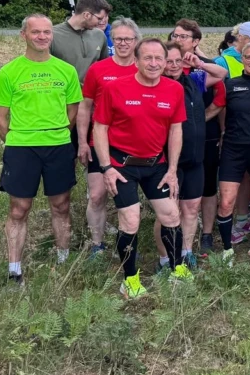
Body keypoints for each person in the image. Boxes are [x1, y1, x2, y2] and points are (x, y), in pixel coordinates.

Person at [93, 38, 188, 299]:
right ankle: (130, 280)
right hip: (121, 166)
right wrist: (106, 168)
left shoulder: (174, 89)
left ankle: (177, 269)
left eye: (160, 59)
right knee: (131, 220)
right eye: (148, 58)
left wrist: (172, 168)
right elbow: (99, 128)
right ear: (136, 60)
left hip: (156, 165)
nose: (155, 63)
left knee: (171, 216)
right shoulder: (116, 89)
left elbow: (176, 129)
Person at [0, 14, 82, 285]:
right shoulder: (9, 71)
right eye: (36, 32)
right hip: (22, 148)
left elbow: (73, 110)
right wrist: (16, 141)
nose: (42, 37)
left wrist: (58, 134)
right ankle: (14, 269)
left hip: (58, 146)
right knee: (19, 208)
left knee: (61, 205)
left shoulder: (66, 71)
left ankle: (63, 260)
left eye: (46, 32)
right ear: (24, 35)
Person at [77, 17, 143, 256]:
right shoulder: (99, 69)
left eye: (127, 39)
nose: (123, 43)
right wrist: (83, 142)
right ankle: (97, 244)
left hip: (136, 146)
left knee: (131, 197)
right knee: (96, 195)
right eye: (117, 39)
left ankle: (129, 240)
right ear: (111, 40)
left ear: (136, 41)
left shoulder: (145, 67)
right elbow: (85, 107)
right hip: (100, 142)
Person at [170, 19, 229, 256]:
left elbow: (221, 97)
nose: (178, 39)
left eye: (184, 36)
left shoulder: (203, 66)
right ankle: (171, 244)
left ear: (195, 42)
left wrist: (199, 119)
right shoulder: (165, 66)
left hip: (203, 136)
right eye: (176, 34)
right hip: (172, 139)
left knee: (205, 188)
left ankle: (205, 234)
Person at [212, 43, 250, 264]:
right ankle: (227, 249)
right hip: (233, 148)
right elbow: (218, 109)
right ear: (242, 59)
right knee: (227, 201)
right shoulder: (229, 84)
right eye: (248, 57)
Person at [155, 41, 208, 271]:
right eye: (169, 61)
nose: (174, 65)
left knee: (191, 209)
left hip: (195, 159)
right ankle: (165, 258)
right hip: (167, 162)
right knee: (168, 212)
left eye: (178, 60)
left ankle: (186, 253)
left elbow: (221, 73)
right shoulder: (156, 86)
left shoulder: (193, 81)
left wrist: (198, 61)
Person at [51, 0, 112, 84]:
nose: (102, 22)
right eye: (99, 18)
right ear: (86, 15)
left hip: (91, 96)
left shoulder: (99, 35)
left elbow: (105, 68)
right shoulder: (51, 35)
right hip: (63, 95)